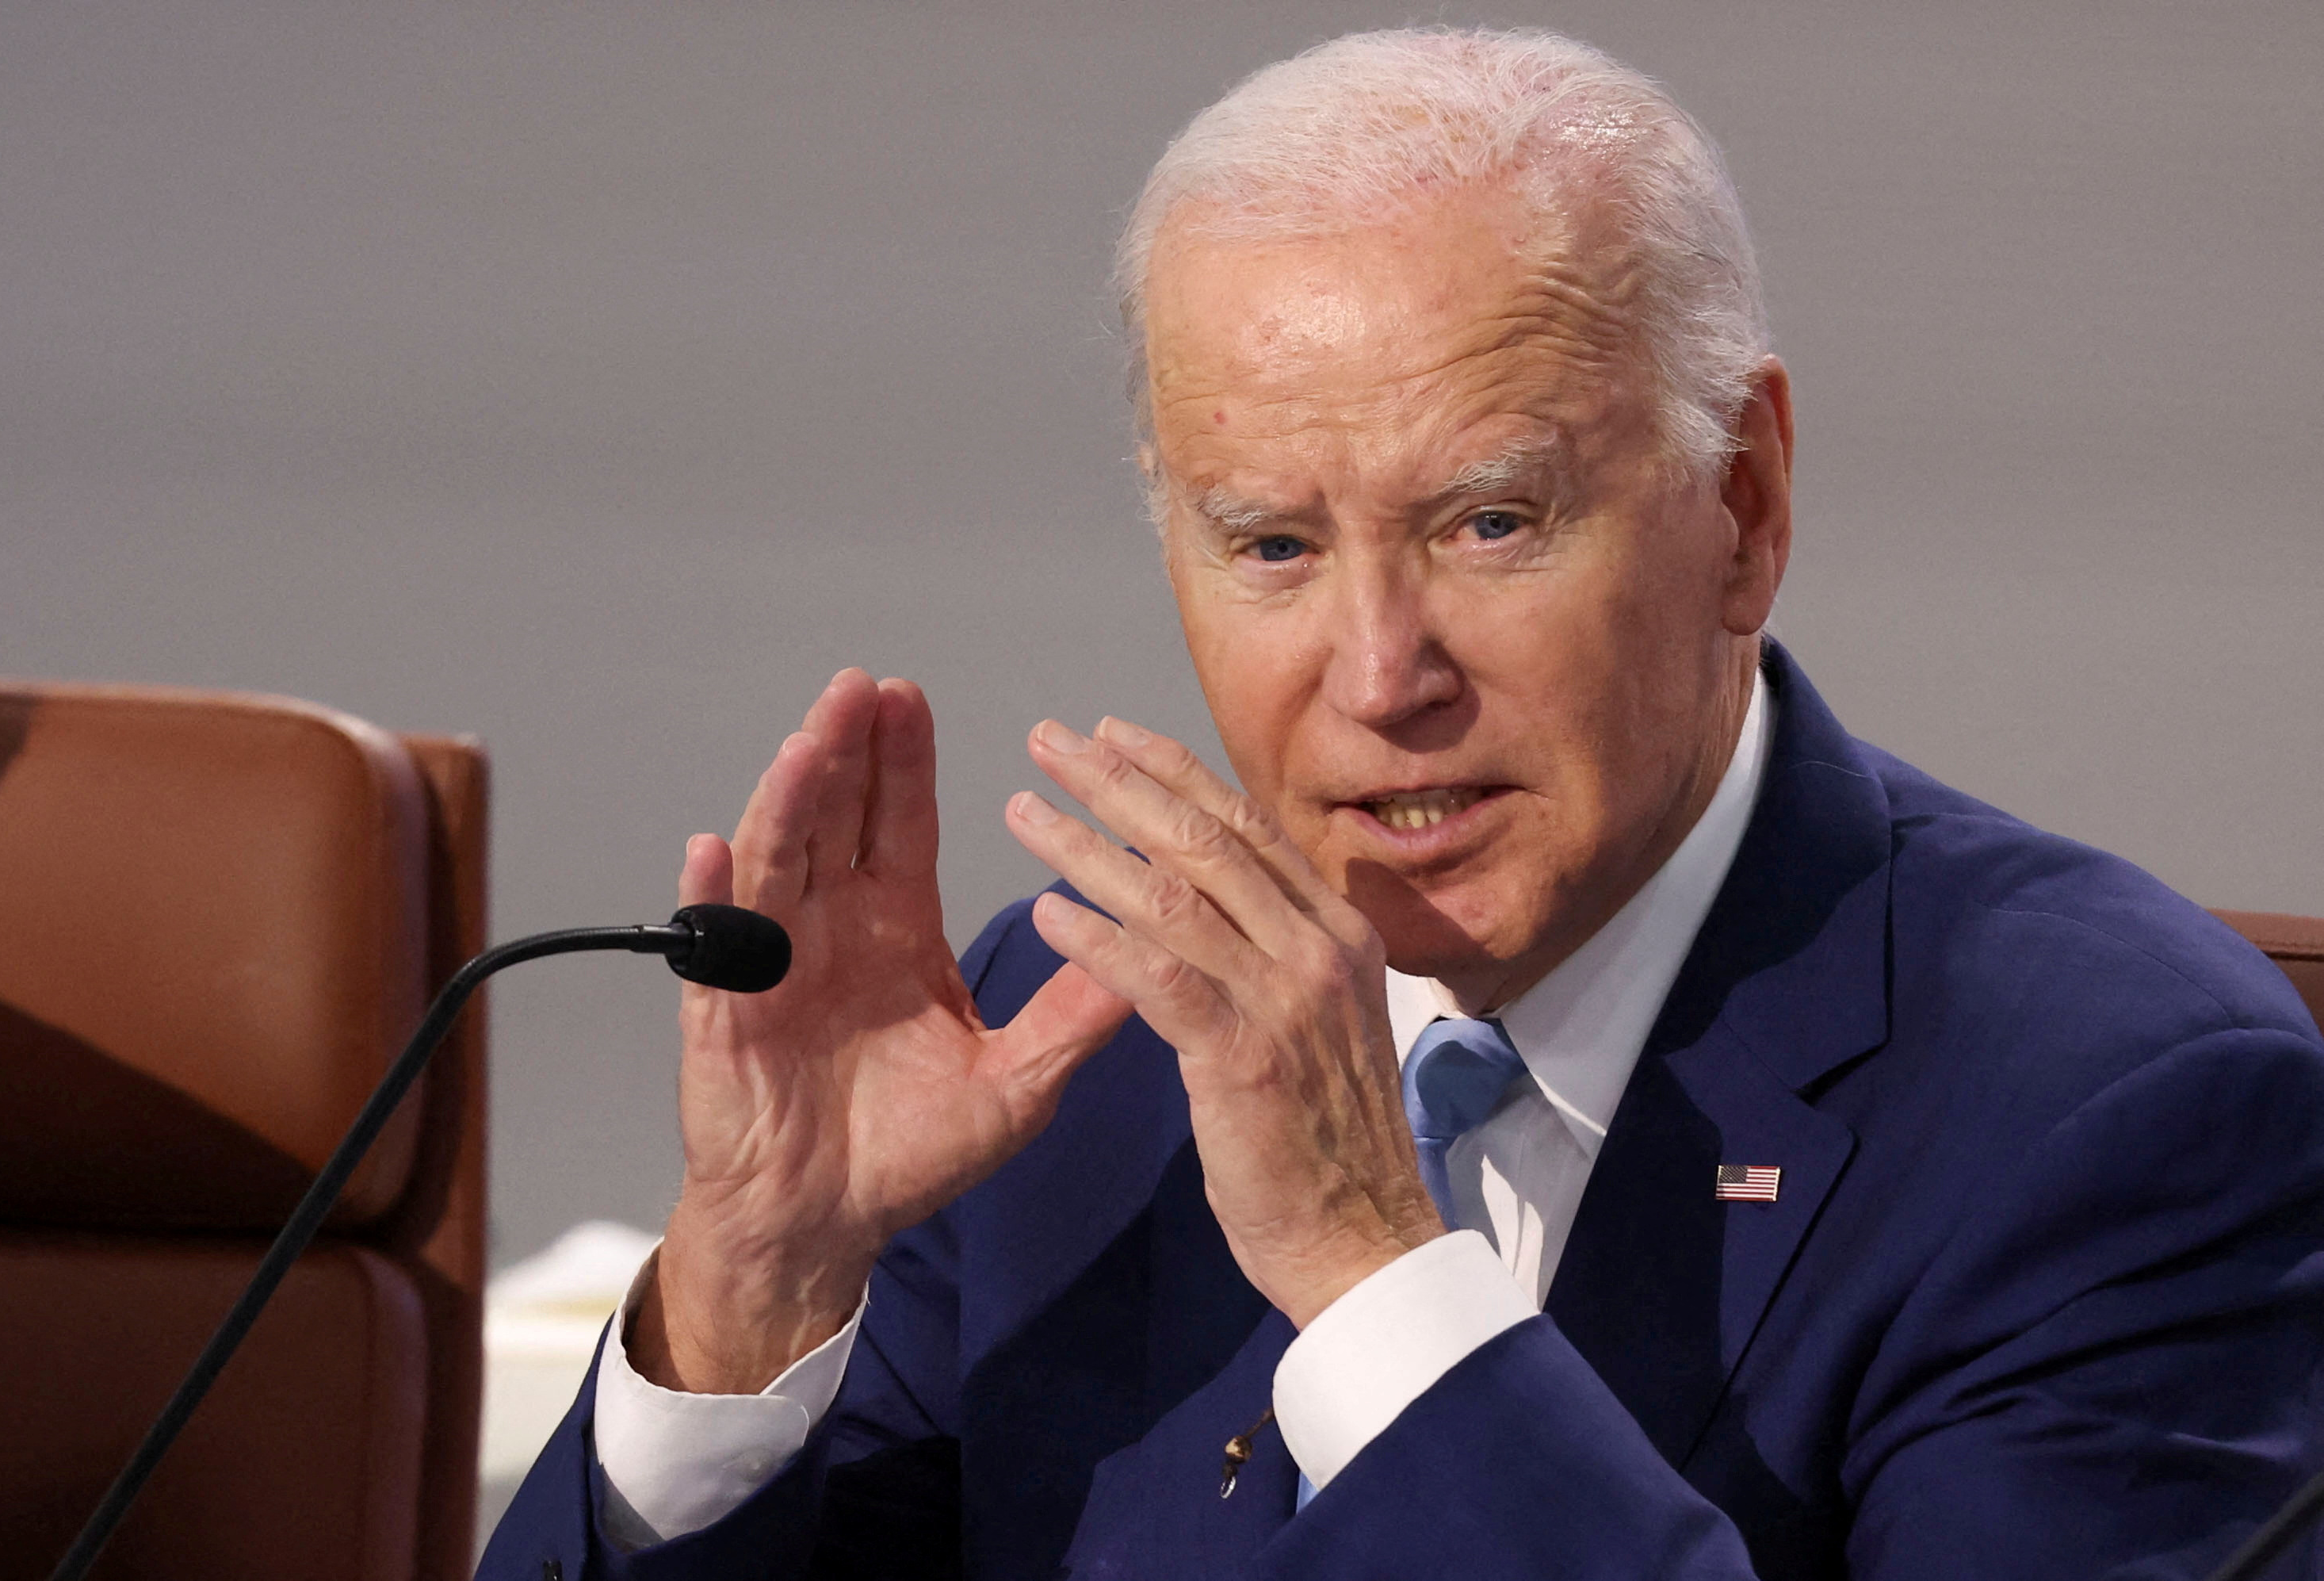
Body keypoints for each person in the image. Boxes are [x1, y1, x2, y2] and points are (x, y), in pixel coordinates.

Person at [482, 28, 2324, 1580]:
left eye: (1488, 522)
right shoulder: (1081, 1052)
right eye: (1271, 544)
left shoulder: (2122, 1111)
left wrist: (1373, 1274)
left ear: (1740, 509)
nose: (1379, 675)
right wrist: (755, 1292)